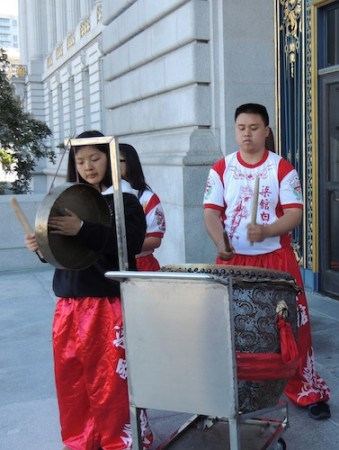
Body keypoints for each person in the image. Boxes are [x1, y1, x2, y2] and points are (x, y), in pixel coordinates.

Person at [24, 130, 153, 449]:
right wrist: (41, 246)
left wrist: (83, 229)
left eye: (95, 158)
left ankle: (121, 441)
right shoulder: (69, 201)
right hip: (69, 304)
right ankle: (82, 438)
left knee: (111, 380)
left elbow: (131, 244)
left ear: (109, 160)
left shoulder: (125, 200)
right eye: (80, 160)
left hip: (108, 302)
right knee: (74, 379)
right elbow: (62, 252)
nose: (88, 166)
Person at [203, 103, 331, 420]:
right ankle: (235, 389)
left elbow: (294, 213)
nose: (247, 134)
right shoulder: (221, 168)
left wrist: (267, 230)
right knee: (233, 327)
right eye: (241, 128)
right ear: (235, 131)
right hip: (233, 262)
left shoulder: (281, 168)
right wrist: (222, 242)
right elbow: (210, 213)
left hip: (275, 261)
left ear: (266, 130)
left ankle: (304, 388)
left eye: (254, 127)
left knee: (290, 326)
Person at [119, 143, 166, 271]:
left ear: (130, 163)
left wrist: (120, 247)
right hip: (110, 266)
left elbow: (155, 239)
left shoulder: (147, 198)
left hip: (141, 265)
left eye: (118, 161)